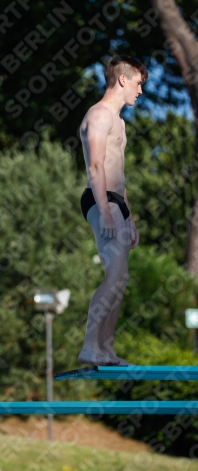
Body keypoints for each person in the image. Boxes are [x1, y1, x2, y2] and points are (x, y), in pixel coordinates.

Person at [78, 55, 148, 366]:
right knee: (115, 274)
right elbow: (96, 165)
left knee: (120, 277)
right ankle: (90, 346)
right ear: (122, 79)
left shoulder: (119, 122)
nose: (140, 91)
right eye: (138, 84)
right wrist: (106, 210)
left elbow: (119, 174)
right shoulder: (100, 115)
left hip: (116, 201)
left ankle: (105, 348)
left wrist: (128, 216)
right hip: (99, 198)